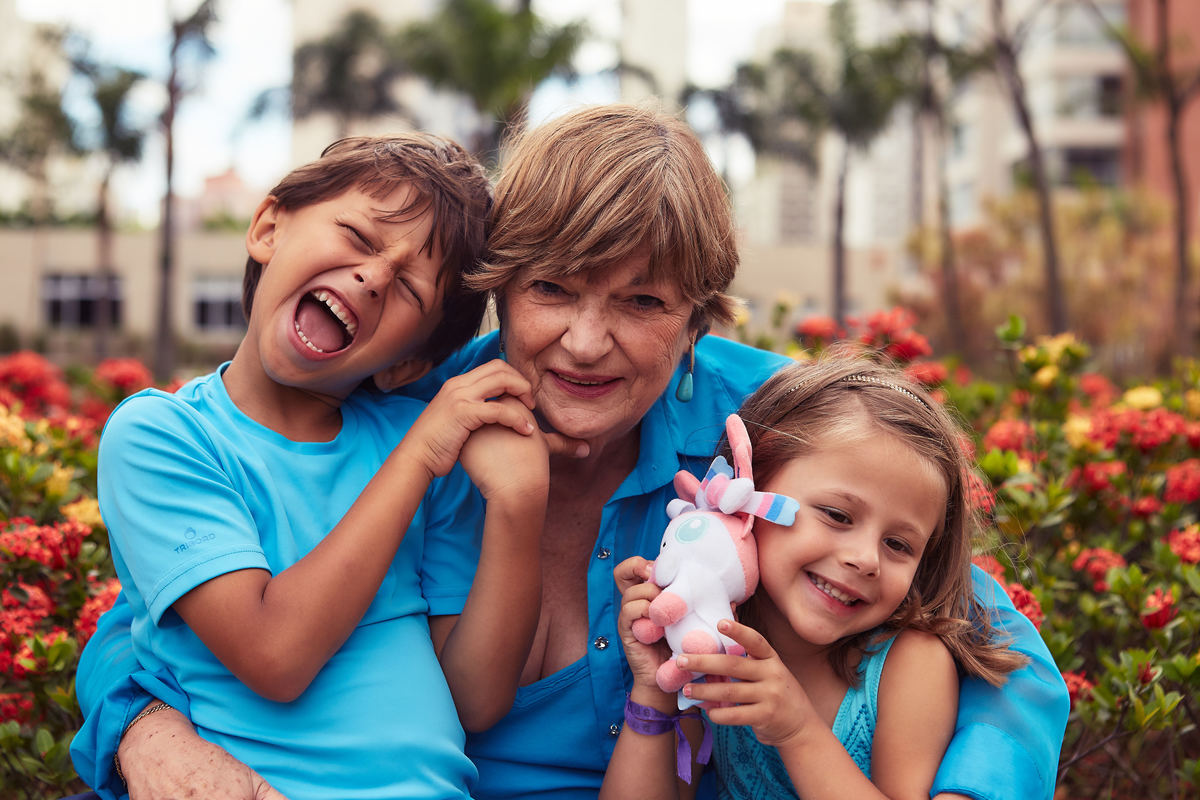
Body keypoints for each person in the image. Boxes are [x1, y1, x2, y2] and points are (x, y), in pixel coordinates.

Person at [73, 104, 1069, 800]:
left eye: (642, 301)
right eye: (553, 289)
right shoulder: (414, 421)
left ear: (696, 315)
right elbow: (155, 617)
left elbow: (992, 640)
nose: (587, 343)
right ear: (500, 288)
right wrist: (141, 731)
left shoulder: (769, 424)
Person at [73, 132, 558, 800]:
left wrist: (517, 509)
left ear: (409, 363)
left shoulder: (423, 451)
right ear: (269, 227)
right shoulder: (163, 436)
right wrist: (418, 455)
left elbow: (473, 699)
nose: (374, 274)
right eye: (359, 236)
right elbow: (275, 655)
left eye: (411, 288)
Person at [602, 355, 1031, 799]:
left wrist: (797, 732)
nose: (867, 560)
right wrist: (653, 689)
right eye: (837, 515)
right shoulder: (718, 640)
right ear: (751, 491)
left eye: (899, 545)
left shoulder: (909, 663)